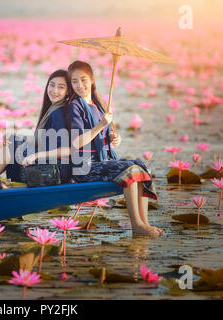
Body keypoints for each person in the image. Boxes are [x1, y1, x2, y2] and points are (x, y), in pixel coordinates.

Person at [65, 60, 163, 238]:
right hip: (84, 166)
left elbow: (105, 137)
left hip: (104, 161)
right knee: (130, 170)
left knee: (142, 166)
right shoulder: (75, 106)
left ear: (92, 80)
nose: (79, 85)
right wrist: (100, 125)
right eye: (75, 81)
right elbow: (76, 143)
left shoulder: (99, 104)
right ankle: (137, 224)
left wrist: (114, 138)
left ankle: (145, 222)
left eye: (84, 80)